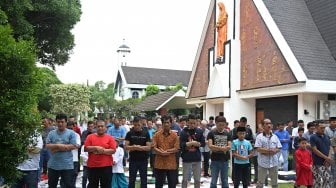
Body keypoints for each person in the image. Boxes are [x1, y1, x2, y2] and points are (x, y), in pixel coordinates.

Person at [46, 114, 77, 188]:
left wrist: (55, 149)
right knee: (52, 185)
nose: (60, 124)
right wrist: (59, 146)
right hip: (53, 165)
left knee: (68, 185)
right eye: (58, 122)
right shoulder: (51, 133)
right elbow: (47, 145)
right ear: (56, 122)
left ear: (66, 122)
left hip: (67, 165)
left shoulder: (71, 133)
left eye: (62, 122)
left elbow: (73, 146)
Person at [84, 120, 116, 188]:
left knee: (106, 185)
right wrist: (96, 147)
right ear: (95, 127)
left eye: (102, 126)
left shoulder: (110, 138)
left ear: (105, 127)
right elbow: (86, 148)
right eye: (98, 126)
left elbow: (113, 150)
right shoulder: (90, 137)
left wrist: (102, 151)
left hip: (106, 166)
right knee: (92, 185)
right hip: (93, 166)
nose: (100, 128)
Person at [153, 115, 180, 188]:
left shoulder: (175, 135)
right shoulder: (156, 135)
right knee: (158, 185)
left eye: (168, 122)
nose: (166, 124)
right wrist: (160, 152)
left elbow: (177, 148)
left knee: (172, 185)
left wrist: (166, 151)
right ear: (162, 124)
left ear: (171, 123)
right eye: (164, 122)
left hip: (171, 164)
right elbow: (154, 147)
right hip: (159, 163)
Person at [180, 114, 205, 188]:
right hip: (186, 158)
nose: (192, 125)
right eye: (191, 123)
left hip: (197, 158)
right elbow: (181, 145)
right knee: (185, 179)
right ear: (187, 122)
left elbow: (203, 143)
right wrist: (189, 143)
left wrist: (198, 144)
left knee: (197, 179)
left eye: (194, 123)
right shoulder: (183, 132)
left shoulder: (199, 131)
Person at [255, 119, 282, 188]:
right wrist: (270, 151)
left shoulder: (275, 137)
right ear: (263, 126)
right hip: (263, 163)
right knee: (260, 183)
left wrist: (274, 151)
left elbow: (279, 147)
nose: (269, 125)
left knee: (275, 183)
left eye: (270, 123)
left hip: (274, 163)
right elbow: (258, 148)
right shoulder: (259, 137)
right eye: (266, 124)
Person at [125, 116, 151, 188]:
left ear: (142, 124)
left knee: (143, 180)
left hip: (143, 160)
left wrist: (139, 148)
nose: (136, 127)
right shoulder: (129, 133)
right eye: (135, 125)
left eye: (138, 125)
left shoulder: (146, 133)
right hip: (133, 160)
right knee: (132, 179)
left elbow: (148, 147)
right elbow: (126, 147)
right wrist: (134, 147)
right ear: (133, 124)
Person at [208, 116, 231, 188]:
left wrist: (217, 148)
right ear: (216, 123)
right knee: (214, 181)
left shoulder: (227, 133)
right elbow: (210, 146)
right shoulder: (211, 133)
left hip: (225, 160)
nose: (221, 127)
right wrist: (222, 148)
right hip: (215, 159)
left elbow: (229, 146)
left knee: (225, 180)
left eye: (223, 125)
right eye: (219, 125)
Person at [310, 121, 333, 188]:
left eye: (324, 128)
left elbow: (330, 147)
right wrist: (326, 158)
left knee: (328, 180)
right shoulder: (313, 137)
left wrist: (328, 158)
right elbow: (314, 150)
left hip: (327, 163)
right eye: (321, 128)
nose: (323, 129)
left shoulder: (327, 137)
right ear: (316, 128)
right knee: (318, 181)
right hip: (317, 163)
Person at [324, 116, 336, 185]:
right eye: (333, 122)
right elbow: (326, 140)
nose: (335, 123)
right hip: (328, 151)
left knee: (334, 168)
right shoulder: (326, 129)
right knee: (328, 168)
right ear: (330, 122)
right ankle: (328, 182)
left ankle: (334, 183)